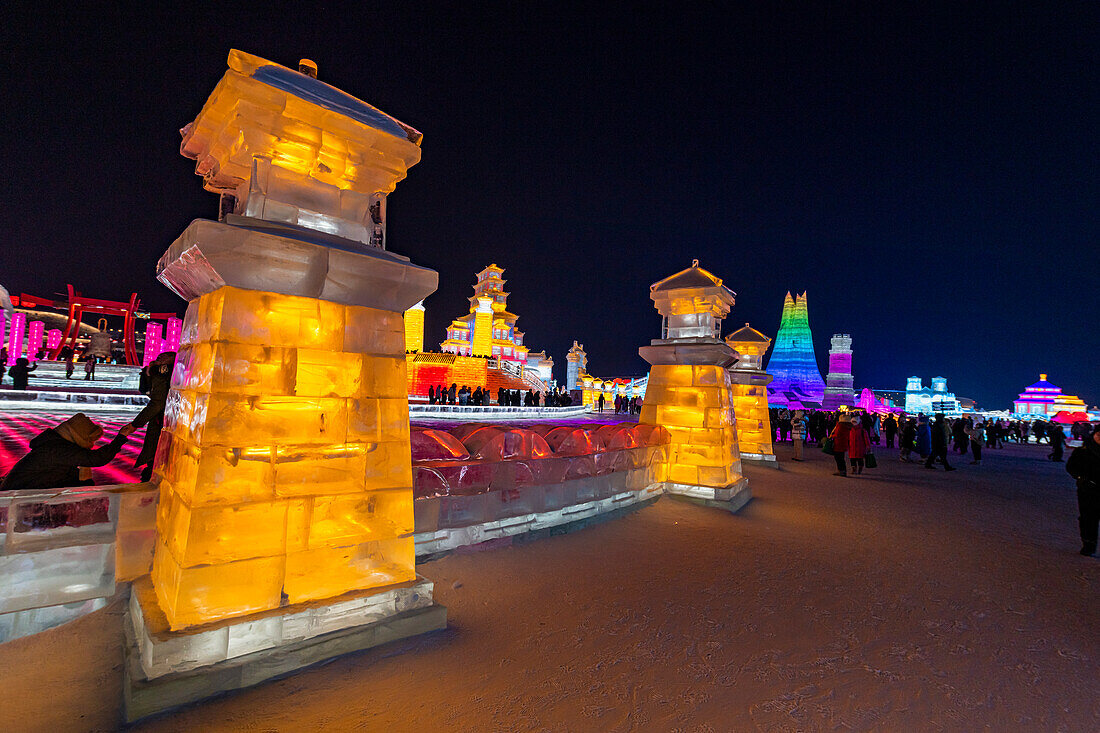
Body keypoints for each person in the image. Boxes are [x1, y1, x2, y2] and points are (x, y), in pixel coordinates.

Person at [1, 413, 135, 490]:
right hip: (17, 494)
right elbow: (96, 459)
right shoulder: (58, 449)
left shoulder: (55, 444)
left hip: (22, 489)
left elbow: (72, 476)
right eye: (91, 440)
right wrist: (120, 437)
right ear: (80, 436)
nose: (91, 445)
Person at [132, 351, 175, 482]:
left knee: (157, 452)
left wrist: (135, 424)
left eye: (163, 357)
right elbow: (145, 390)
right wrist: (148, 373)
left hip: (163, 419)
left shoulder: (165, 373)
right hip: (163, 419)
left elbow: (157, 402)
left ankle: (151, 478)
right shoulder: (156, 372)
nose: (158, 358)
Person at [1066, 426, 1100, 556]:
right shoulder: (1083, 451)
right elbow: (1071, 467)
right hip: (1088, 490)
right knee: (1088, 519)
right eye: (1098, 434)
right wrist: (1081, 478)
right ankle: (1088, 544)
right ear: (1094, 434)